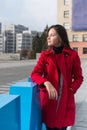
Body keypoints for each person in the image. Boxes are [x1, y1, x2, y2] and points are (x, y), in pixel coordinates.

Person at [31, 24, 83, 130]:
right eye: (48, 35)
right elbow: (35, 74)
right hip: (49, 102)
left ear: (60, 37)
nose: (48, 37)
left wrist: (71, 89)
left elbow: (79, 77)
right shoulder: (45, 55)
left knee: (62, 126)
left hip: (65, 102)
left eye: (52, 35)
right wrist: (46, 82)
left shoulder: (72, 55)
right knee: (49, 126)